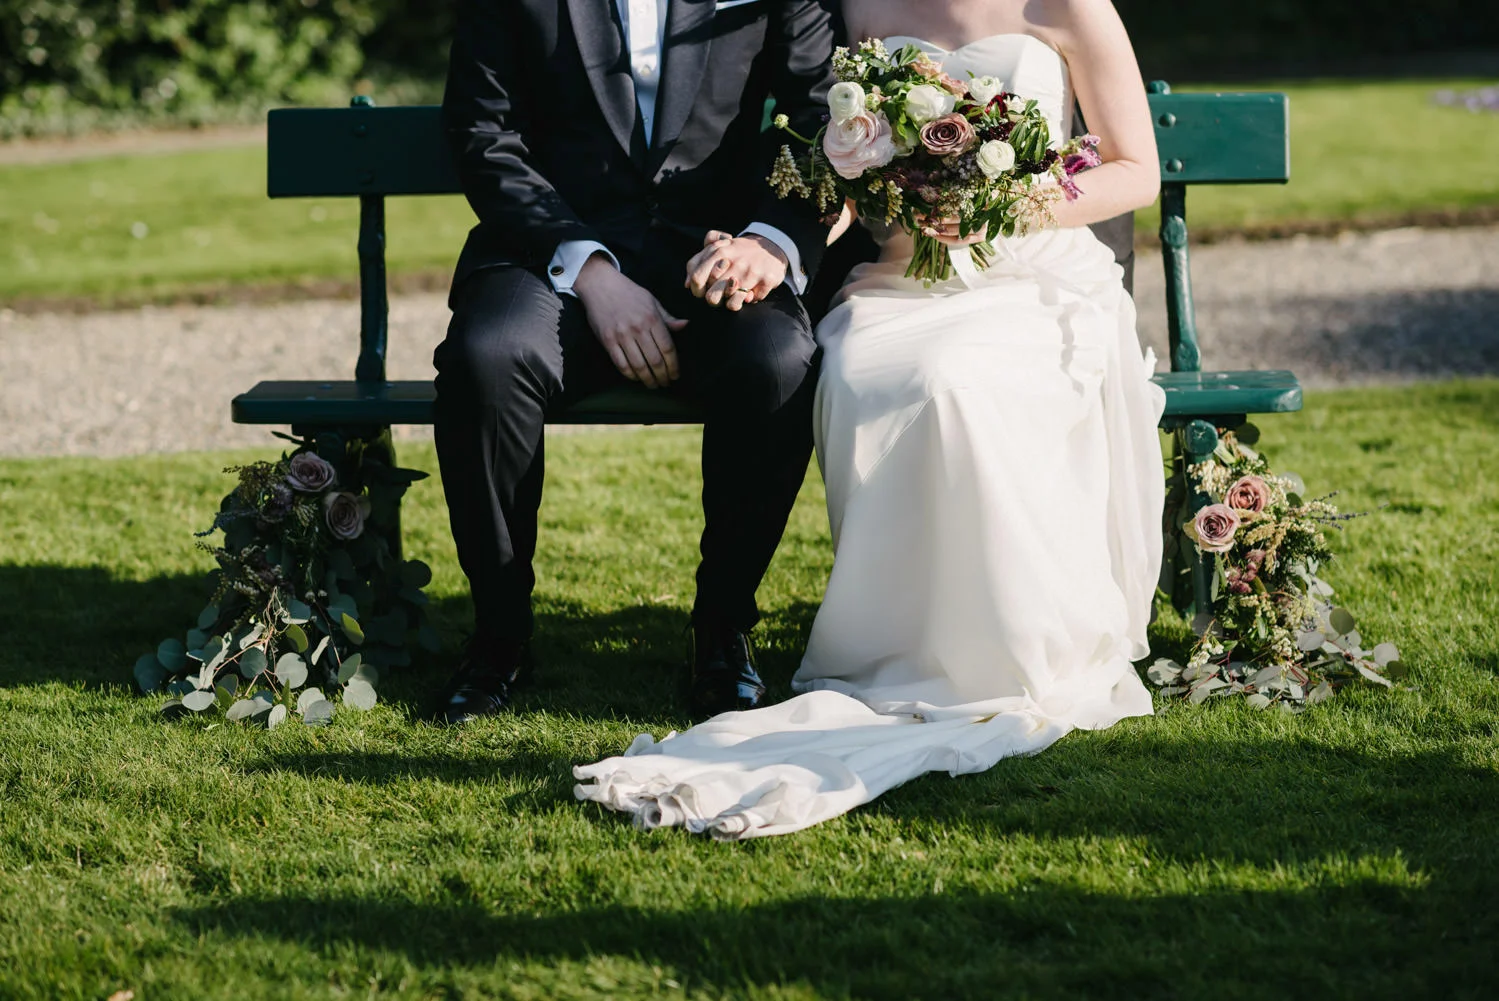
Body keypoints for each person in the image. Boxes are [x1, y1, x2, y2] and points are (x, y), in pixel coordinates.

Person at [575, 0, 1169, 839]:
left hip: (1030, 275)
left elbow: (1135, 168)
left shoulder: (1065, 5)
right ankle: (889, 644)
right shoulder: (854, 4)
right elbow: (837, 166)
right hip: (900, 281)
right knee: (858, 368)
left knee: (952, 381)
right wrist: (777, 236)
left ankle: (994, 644)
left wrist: (1009, 202)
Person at [430, 0, 841, 724]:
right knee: (487, 357)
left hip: (714, 252)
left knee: (778, 360)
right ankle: (499, 638)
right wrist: (589, 269)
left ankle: (721, 631)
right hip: (551, 255)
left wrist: (769, 242)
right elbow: (484, 133)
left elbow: (820, 117)